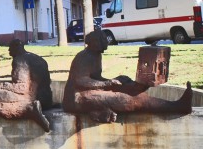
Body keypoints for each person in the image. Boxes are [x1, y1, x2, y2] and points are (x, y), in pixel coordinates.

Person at [63, 29, 192, 123]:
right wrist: (107, 83)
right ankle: (177, 107)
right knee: (124, 99)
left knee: (129, 87)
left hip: (86, 92)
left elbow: (95, 78)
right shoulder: (84, 57)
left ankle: (175, 104)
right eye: (101, 40)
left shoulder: (95, 55)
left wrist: (114, 81)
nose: (104, 43)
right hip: (76, 99)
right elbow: (80, 81)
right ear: (93, 42)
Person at [0, 39, 52, 132]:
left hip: (31, 100)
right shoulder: (39, 59)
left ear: (16, 47)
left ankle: (28, 110)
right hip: (46, 101)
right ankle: (31, 109)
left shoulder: (19, 61)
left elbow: (21, 88)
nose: (9, 51)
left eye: (10, 48)